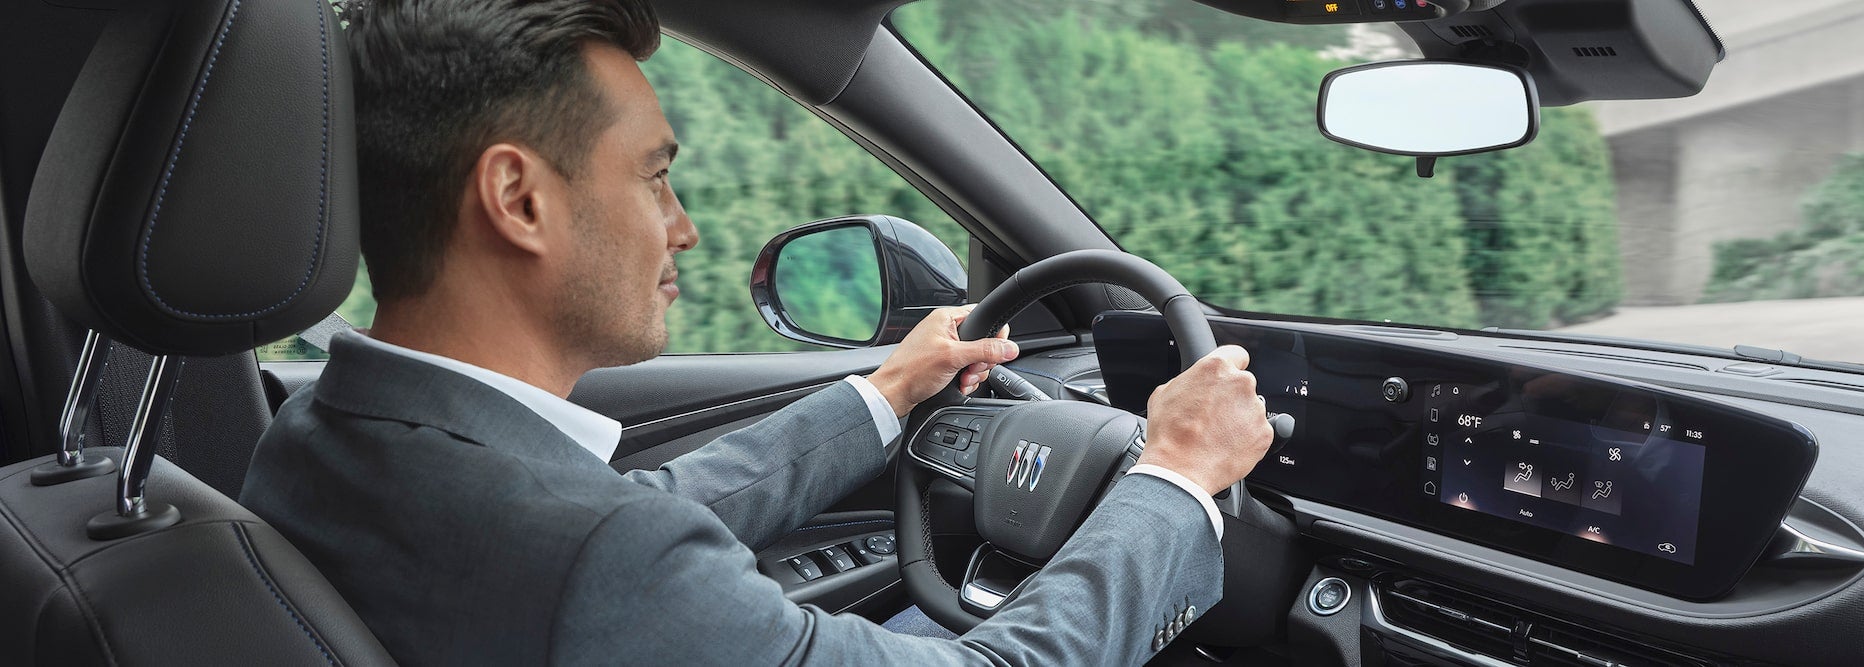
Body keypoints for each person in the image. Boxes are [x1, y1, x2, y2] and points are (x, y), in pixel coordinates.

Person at [239, 0, 1273, 664]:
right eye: (654, 175)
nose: (681, 224)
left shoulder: (327, 432)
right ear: (517, 198)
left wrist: (886, 390)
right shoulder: (590, 555)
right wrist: (1174, 477)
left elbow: (638, 511)